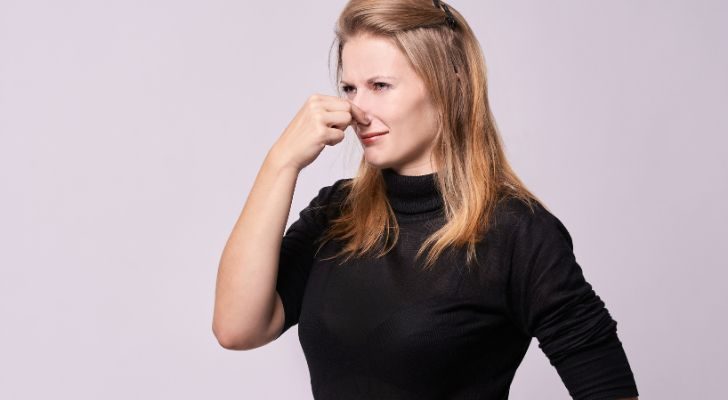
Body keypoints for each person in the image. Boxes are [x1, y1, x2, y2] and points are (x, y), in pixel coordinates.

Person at [213, 0, 640, 399]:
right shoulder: (336, 212)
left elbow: (610, 389)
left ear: (447, 83)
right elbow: (237, 329)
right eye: (349, 88)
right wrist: (280, 164)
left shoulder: (517, 233)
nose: (357, 109)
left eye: (380, 85)